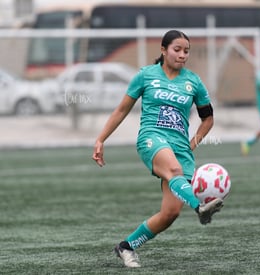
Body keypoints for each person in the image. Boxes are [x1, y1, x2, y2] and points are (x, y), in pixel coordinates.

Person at [92, 30, 224, 268]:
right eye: (177, 49)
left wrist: (192, 144)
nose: (182, 55)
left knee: (170, 213)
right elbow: (121, 110)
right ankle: (200, 206)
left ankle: (125, 247)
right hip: (152, 138)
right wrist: (101, 139)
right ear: (163, 50)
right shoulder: (146, 75)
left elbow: (208, 119)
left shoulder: (193, 81)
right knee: (173, 169)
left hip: (180, 147)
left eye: (186, 51)